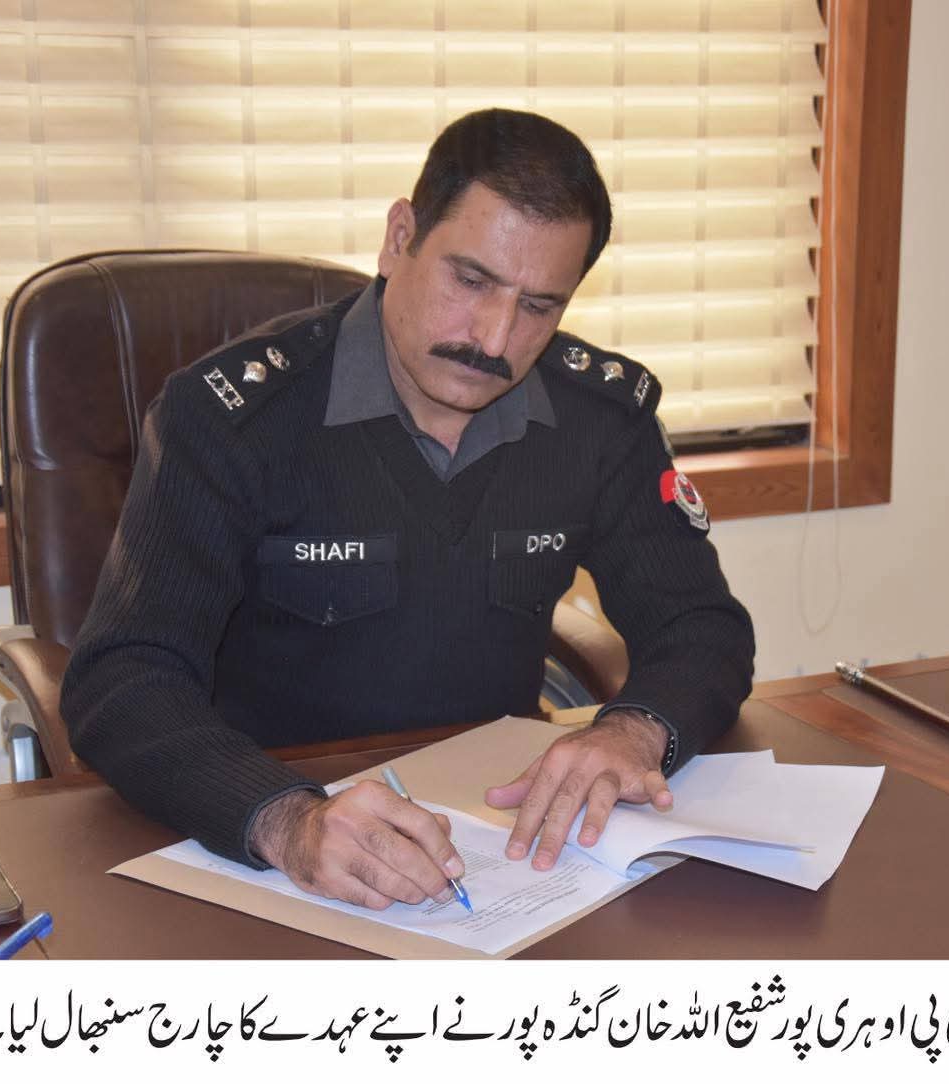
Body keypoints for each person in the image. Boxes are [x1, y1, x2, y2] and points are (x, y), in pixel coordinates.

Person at [61, 108, 755, 911]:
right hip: (279, 842)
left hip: (497, 845)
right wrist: (285, 821)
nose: (493, 337)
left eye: (538, 306)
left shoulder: (598, 420)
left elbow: (700, 625)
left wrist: (632, 730)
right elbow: (123, 677)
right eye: (471, 281)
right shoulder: (234, 419)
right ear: (399, 239)